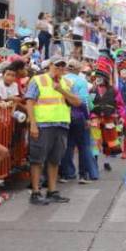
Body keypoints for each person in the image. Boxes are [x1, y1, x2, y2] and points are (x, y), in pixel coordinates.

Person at [25, 58, 82, 205]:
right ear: (50, 65)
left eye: (63, 66)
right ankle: (35, 192)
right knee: (37, 160)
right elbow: (29, 102)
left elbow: (77, 102)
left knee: (55, 160)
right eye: (58, 65)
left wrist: (61, 90)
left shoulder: (67, 83)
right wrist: (33, 124)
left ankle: (52, 191)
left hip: (61, 125)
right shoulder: (38, 80)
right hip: (42, 125)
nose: (61, 68)